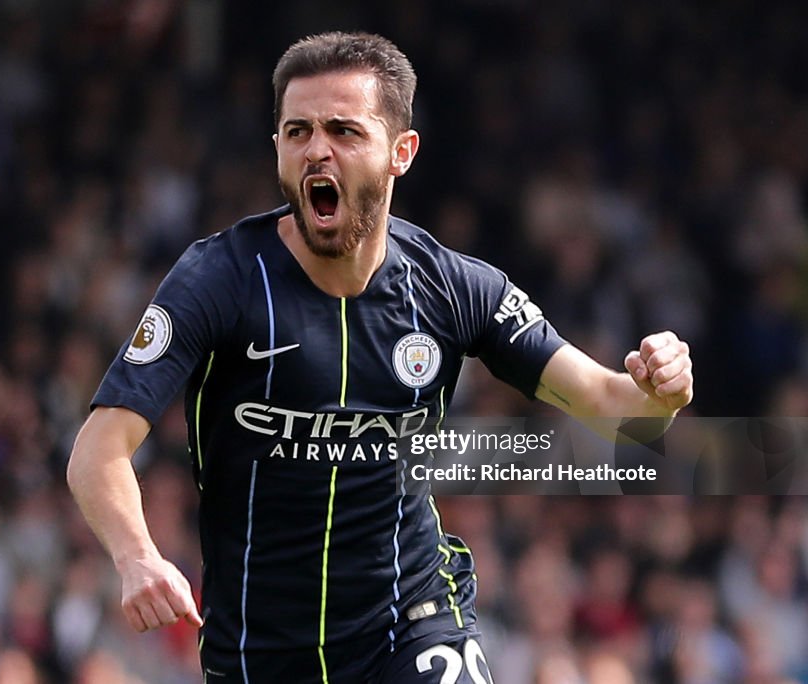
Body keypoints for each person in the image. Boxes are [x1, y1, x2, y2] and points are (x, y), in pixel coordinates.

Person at [66, 32, 694, 684]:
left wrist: (661, 391)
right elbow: (99, 449)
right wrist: (136, 557)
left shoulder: (455, 288)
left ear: (402, 152)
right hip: (259, 649)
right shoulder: (216, 280)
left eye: (343, 130)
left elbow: (614, 406)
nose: (317, 150)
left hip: (412, 622)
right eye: (297, 131)